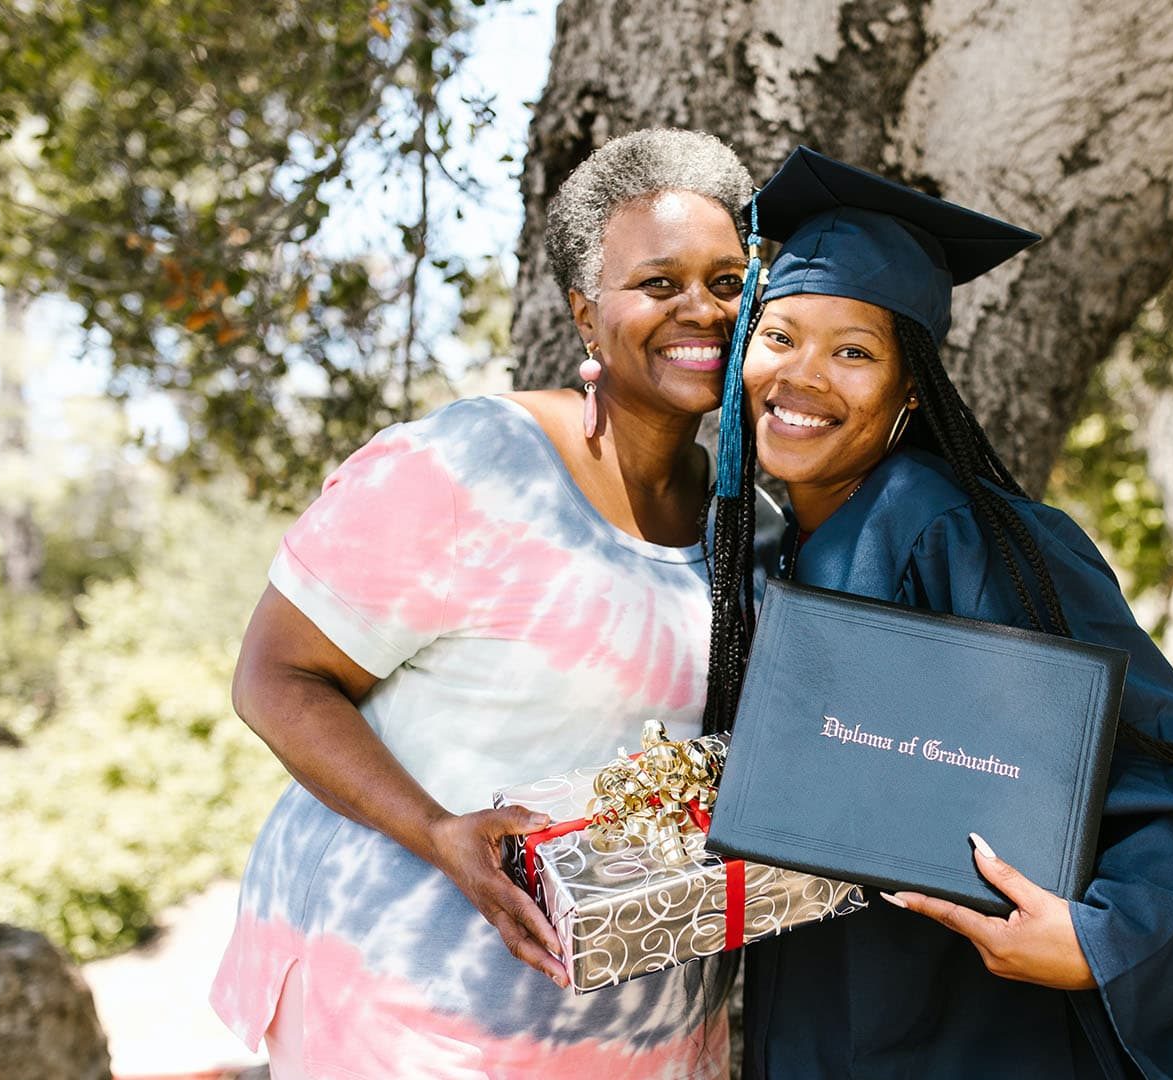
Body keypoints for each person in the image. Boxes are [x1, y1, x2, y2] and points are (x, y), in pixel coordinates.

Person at [701, 147, 1173, 1079]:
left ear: (910, 390)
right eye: (781, 336)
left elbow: (1164, 774)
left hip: (967, 1029)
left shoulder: (959, 533)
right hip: (815, 1016)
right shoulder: (760, 554)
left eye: (854, 352)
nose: (802, 375)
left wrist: (1102, 940)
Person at [210, 128, 760, 1080]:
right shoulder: (469, 467)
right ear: (588, 319)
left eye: (727, 280)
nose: (701, 310)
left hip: (638, 1020)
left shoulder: (747, 517)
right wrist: (437, 831)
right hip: (415, 1011)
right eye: (659, 284)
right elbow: (274, 676)